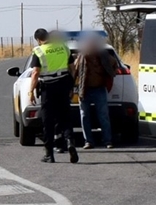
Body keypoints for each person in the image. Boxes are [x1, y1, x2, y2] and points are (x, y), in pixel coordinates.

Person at [30, 28, 78, 164]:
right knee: (65, 117)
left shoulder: (39, 51)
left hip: (48, 88)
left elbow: (35, 73)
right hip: (63, 84)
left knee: (48, 121)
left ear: (38, 40)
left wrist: (31, 91)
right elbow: (72, 68)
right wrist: (70, 85)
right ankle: (70, 142)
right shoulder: (63, 47)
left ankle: (49, 154)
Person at [75, 33, 117, 149]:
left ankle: (107, 141)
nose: (91, 46)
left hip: (99, 89)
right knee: (84, 116)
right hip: (84, 90)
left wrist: (111, 74)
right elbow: (74, 70)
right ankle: (88, 141)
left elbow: (115, 65)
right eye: (89, 43)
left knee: (103, 116)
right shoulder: (82, 56)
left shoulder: (104, 55)